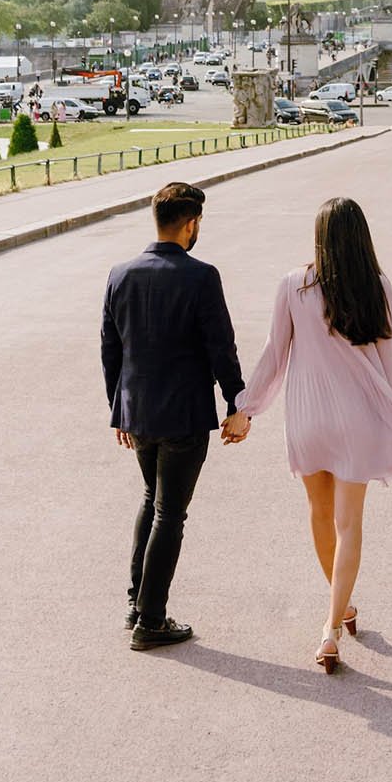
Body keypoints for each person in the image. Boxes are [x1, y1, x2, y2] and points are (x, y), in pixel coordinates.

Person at [223, 196, 392, 675]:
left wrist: (245, 409)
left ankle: (342, 608)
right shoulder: (379, 287)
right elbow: (389, 361)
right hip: (362, 419)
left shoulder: (294, 285)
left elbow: (276, 355)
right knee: (349, 524)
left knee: (319, 514)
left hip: (309, 416)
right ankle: (331, 628)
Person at [101, 181, 245, 651]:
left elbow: (110, 350)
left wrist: (117, 409)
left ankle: (135, 603)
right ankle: (152, 620)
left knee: (151, 498)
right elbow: (220, 346)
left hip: (138, 412)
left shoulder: (120, 274)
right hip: (183, 414)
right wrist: (236, 402)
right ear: (191, 224)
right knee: (169, 512)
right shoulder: (202, 277)